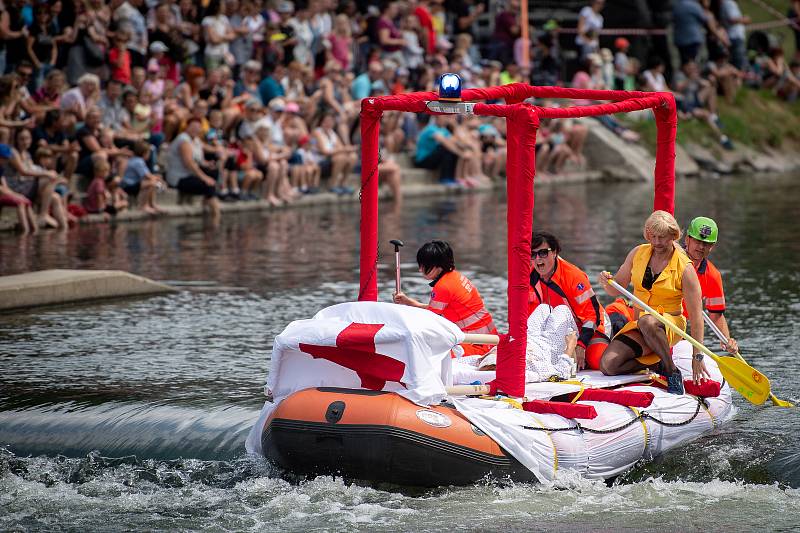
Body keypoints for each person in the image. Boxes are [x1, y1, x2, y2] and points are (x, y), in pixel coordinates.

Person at [598, 211, 707, 394]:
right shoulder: (637, 253)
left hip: (670, 325)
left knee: (648, 321)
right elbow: (615, 290)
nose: (657, 242)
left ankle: (671, 371)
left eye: (662, 238)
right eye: (653, 237)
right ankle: (656, 364)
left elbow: (696, 319)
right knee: (608, 365)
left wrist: (697, 357)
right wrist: (606, 281)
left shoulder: (685, 268)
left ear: (673, 236)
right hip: (640, 324)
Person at [393, 240, 498, 356]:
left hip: (478, 345)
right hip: (487, 338)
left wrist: (400, 322)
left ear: (437, 266)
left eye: (424, 265)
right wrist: (408, 302)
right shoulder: (454, 276)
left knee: (422, 351)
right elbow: (435, 311)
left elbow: (429, 319)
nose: (420, 269)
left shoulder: (443, 286)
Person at [528, 231, 609, 372]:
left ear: (554, 252)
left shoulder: (573, 276)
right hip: (557, 330)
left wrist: (581, 344)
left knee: (601, 362)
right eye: (533, 255)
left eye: (543, 253)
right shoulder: (528, 278)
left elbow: (592, 317)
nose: (538, 259)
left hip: (592, 329)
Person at [683, 216, 739, 354]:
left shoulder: (713, 276)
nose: (701, 247)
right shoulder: (669, 258)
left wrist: (727, 340)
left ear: (712, 247)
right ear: (687, 239)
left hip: (677, 329)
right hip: (654, 317)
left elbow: (716, 315)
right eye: (698, 241)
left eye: (706, 244)